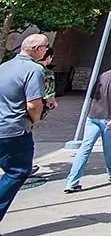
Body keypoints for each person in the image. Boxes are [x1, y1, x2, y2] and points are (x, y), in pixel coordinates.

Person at [64, 53, 111, 193]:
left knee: (84, 148)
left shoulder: (103, 75)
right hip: (109, 117)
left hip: (94, 115)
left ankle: (71, 182)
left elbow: (93, 93)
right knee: (109, 146)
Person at [0, 34, 48, 223]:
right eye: (45, 48)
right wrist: (35, 120)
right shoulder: (34, 69)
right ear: (37, 49)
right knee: (17, 171)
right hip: (14, 131)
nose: (46, 51)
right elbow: (33, 105)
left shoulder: (4, 66)